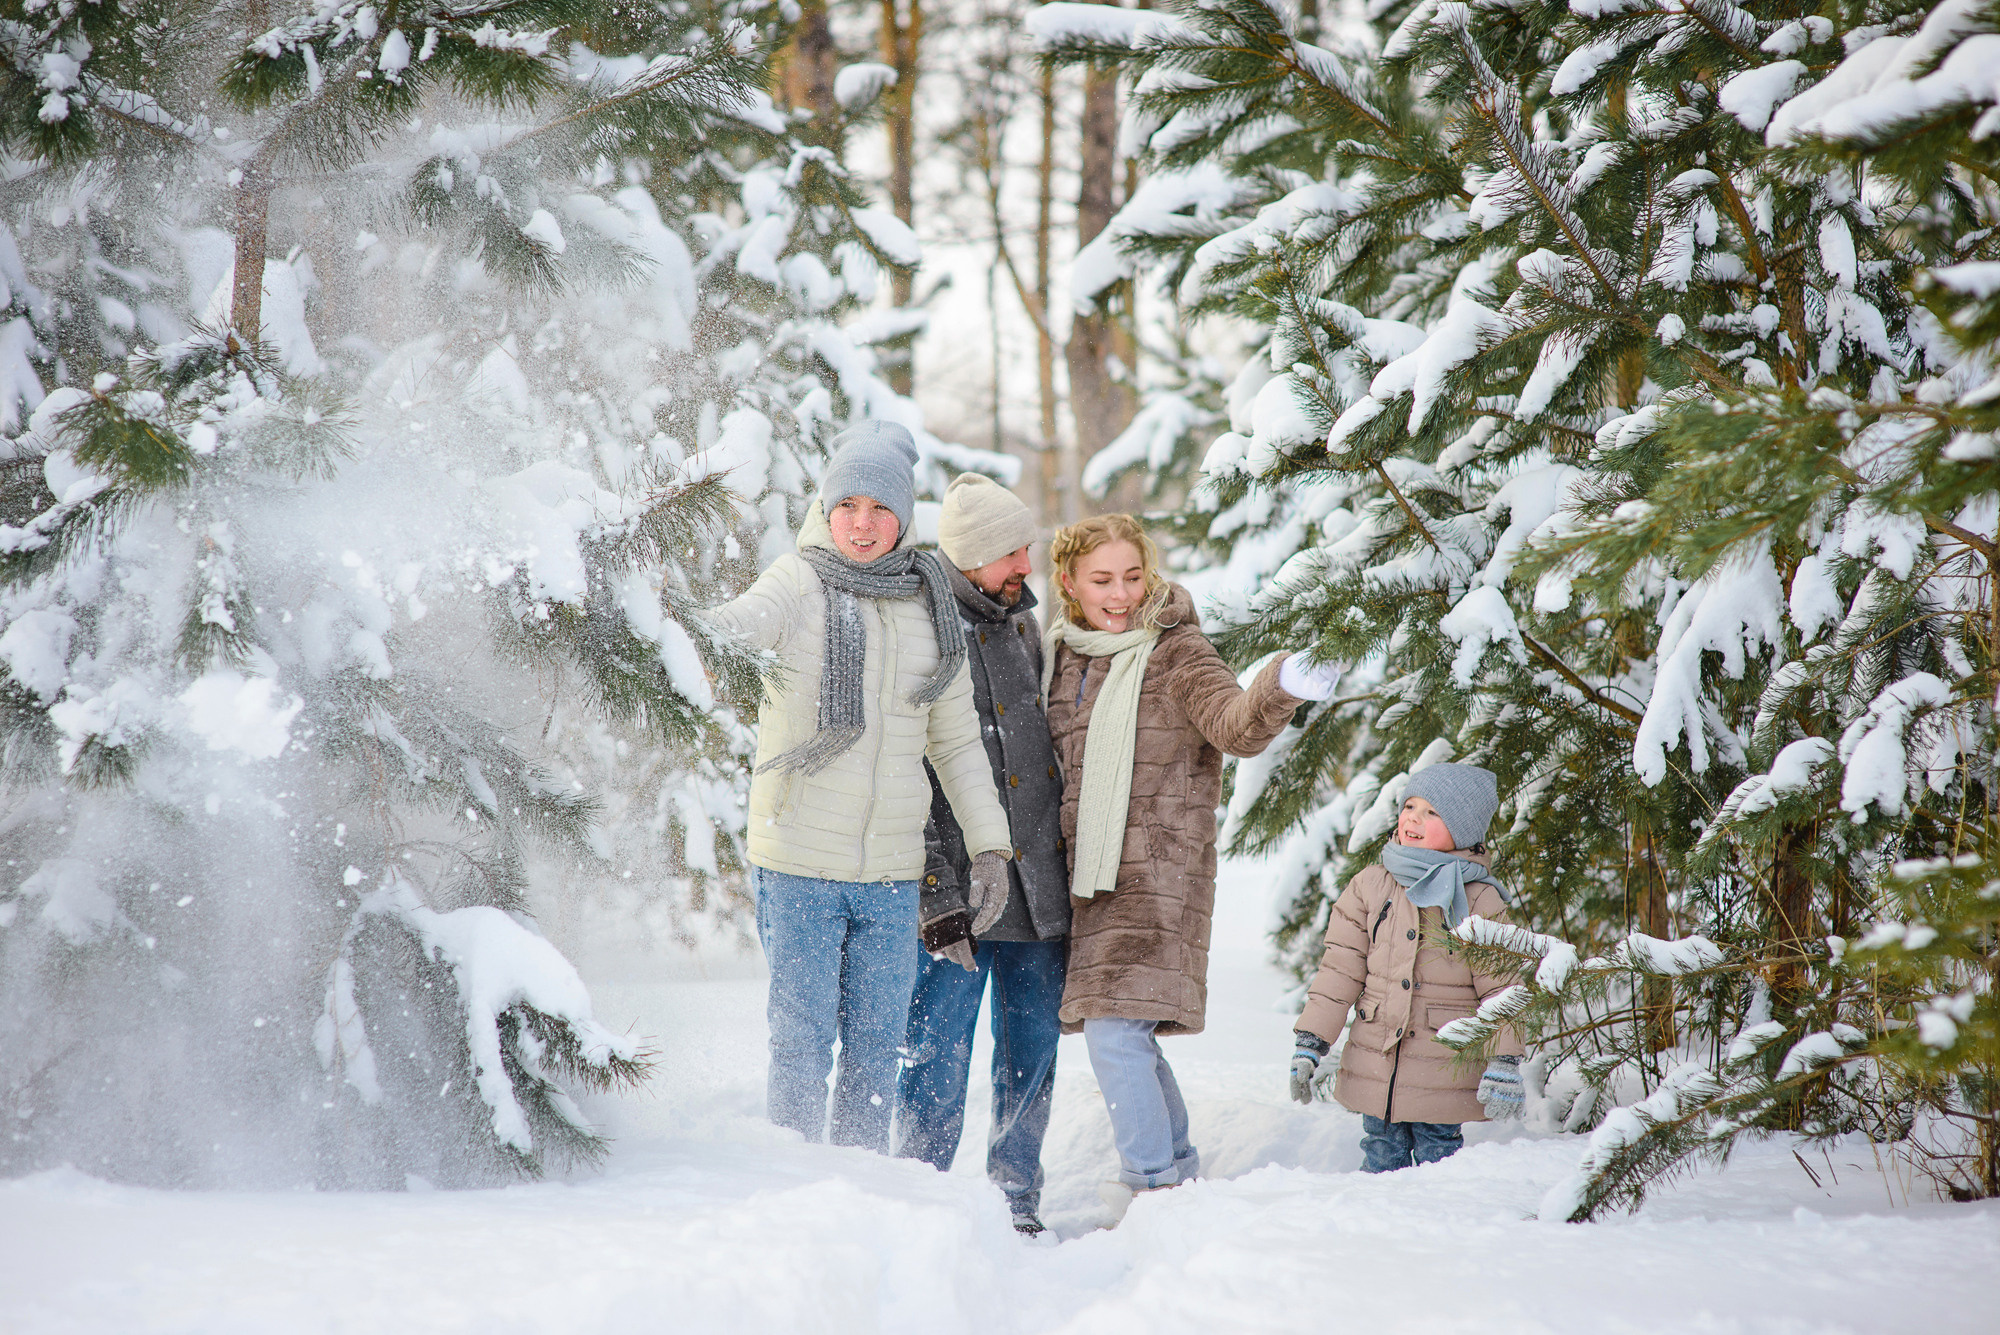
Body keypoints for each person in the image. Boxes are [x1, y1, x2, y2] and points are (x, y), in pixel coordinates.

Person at [710, 422, 1012, 1153]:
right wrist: (674, 618)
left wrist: (991, 845)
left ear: (905, 517)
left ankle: (857, 1187)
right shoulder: (797, 580)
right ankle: (795, 1188)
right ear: (827, 505)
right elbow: (733, 630)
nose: (863, 523)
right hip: (798, 863)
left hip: (889, 873)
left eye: (881, 509)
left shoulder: (927, 604)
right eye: (849, 505)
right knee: (803, 1042)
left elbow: (957, 742)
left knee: (877, 1048)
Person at [1042, 513, 1342, 1216]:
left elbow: (1236, 724)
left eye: (1133, 575)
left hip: (1156, 875)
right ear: (1069, 583)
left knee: (1115, 1032)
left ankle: (1148, 1185)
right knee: (1128, 1033)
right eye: (1102, 579)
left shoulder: (1176, 650)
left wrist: (1286, 681)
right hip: (1085, 878)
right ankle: (1174, 1171)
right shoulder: (1062, 655)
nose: (1121, 594)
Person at [894, 474, 1069, 1237]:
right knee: (936, 1053)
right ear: (971, 557)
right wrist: (937, 890)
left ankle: (1015, 1197)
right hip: (959, 896)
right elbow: (913, 773)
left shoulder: (1025, 628)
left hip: (1038, 893)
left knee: (1029, 1053)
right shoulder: (922, 628)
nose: (1025, 562)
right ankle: (921, 1199)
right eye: (1010, 550)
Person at [1286, 763, 1526, 1172]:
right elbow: (1338, 971)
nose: (1414, 817)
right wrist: (1312, 1039)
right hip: (1378, 1061)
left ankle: (1436, 1233)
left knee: (1439, 1165)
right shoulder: (1370, 885)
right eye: (1410, 805)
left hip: (1444, 1067)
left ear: (1463, 831)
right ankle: (1377, 1235)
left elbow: (1502, 988)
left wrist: (1504, 1062)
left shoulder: (1480, 898)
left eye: (1433, 812)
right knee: (1380, 1155)